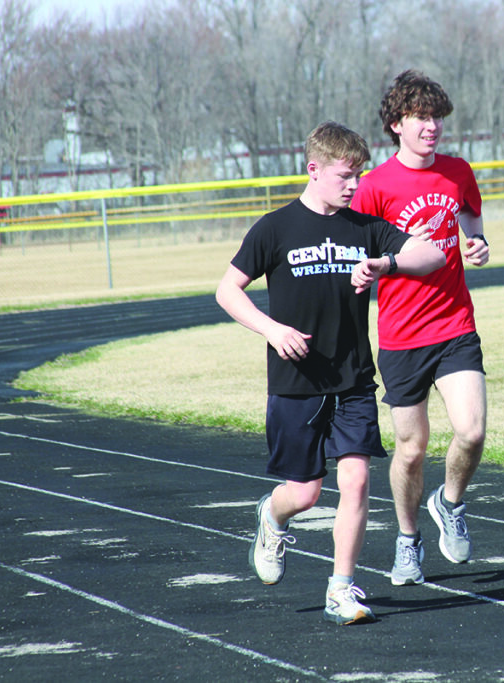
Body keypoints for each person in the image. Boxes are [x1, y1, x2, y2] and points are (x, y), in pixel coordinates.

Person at [215, 121, 444, 624]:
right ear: (313, 169)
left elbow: (432, 254)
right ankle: (271, 517)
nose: (353, 185)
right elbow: (227, 291)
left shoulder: (362, 228)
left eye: (358, 176)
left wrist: (385, 263)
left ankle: (341, 588)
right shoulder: (274, 229)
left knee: (358, 480)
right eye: (345, 176)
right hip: (297, 382)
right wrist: (272, 330)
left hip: (354, 378)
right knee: (305, 492)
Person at [352, 69, 490, 586]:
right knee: (411, 449)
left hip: (455, 324)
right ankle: (407, 542)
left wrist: (477, 246)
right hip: (402, 335)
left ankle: (449, 503)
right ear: (396, 124)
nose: (431, 126)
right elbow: (358, 258)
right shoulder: (374, 187)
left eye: (436, 117)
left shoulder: (458, 172)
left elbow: (472, 229)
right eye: (420, 117)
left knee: (471, 431)